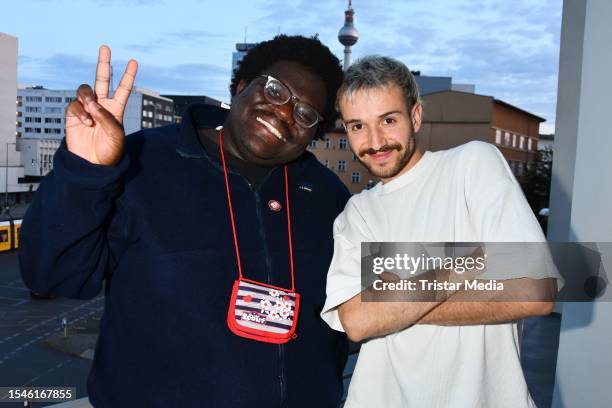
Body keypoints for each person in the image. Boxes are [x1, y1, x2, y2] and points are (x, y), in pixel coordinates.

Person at [20, 35, 350, 407]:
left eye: (305, 113)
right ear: (241, 86)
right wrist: (83, 172)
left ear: (313, 133)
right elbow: (50, 274)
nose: (285, 114)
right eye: (275, 90)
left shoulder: (328, 196)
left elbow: (381, 291)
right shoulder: (144, 162)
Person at [321, 56, 559, 407]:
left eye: (388, 120)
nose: (375, 141)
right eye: (357, 126)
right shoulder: (357, 213)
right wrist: (469, 262)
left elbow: (535, 290)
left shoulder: (473, 165)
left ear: (415, 116)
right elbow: (356, 321)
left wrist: (390, 299)